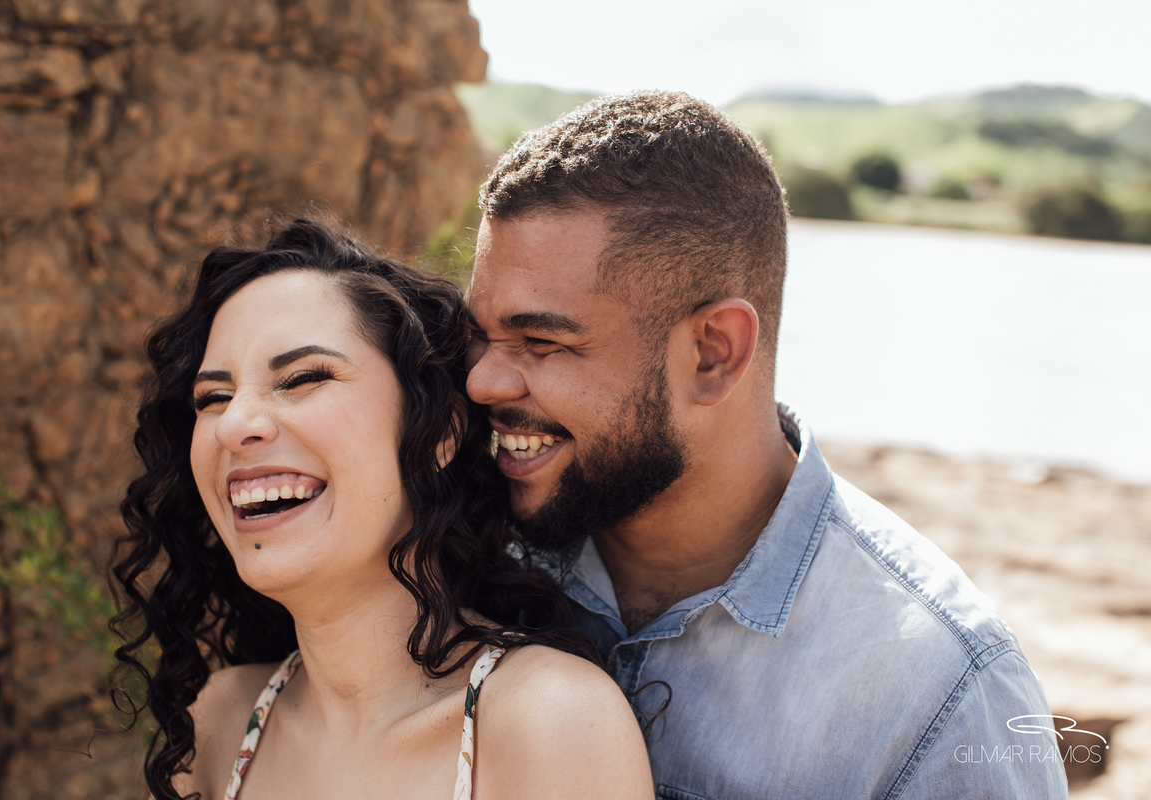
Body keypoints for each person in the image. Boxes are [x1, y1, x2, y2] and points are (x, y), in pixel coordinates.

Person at [466, 91, 1070, 799]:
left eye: (541, 341)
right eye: (481, 332)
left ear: (714, 353)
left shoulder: (941, 696)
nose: (482, 379)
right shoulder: (461, 553)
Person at [110, 217, 654, 800]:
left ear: (441, 430)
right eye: (212, 397)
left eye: (302, 378)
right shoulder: (218, 722)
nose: (235, 424)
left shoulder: (548, 722)